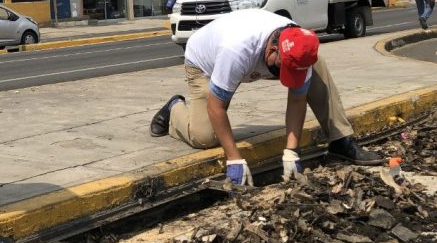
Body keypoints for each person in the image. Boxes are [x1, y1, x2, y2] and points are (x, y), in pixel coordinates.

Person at [149, 9, 382, 185]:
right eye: (282, 70)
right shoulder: (236, 50)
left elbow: (297, 99)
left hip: (256, 60)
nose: (284, 78)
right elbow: (216, 107)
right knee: (204, 137)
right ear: (271, 50)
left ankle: (341, 139)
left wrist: (292, 150)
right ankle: (175, 108)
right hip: (204, 63)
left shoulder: (299, 44)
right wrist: (234, 158)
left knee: (316, 64)